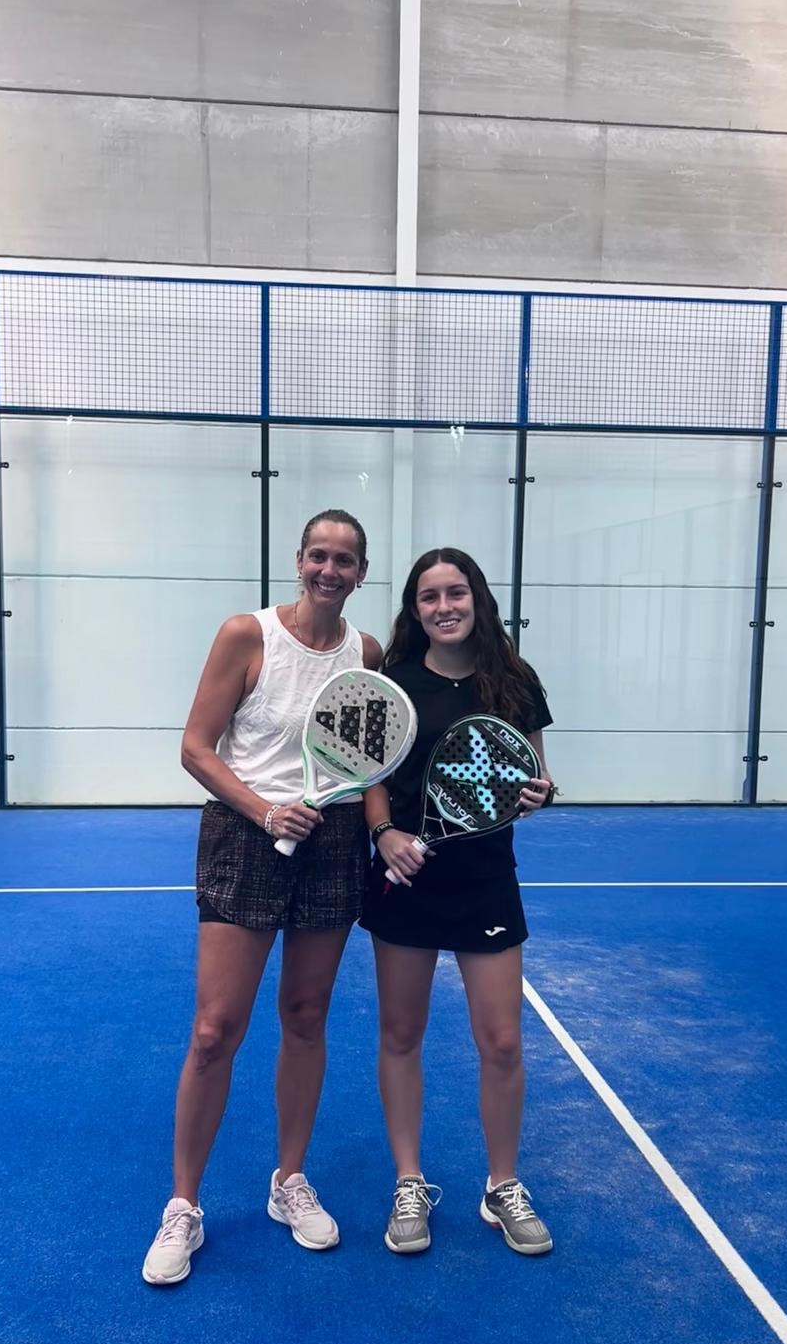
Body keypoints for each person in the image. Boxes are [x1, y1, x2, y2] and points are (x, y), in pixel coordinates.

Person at [142, 509, 382, 1285]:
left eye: (345, 560)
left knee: (306, 1016)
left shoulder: (367, 654)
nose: (329, 570)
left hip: (334, 842)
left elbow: (363, 764)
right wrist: (265, 811)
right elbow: (195, 748)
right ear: (299, 560)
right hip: (246, 835)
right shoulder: (247, 635)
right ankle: (184, 1205)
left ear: (361, 573)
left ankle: (289, 1181)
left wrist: (374, 828)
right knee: (216, 1029)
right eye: (319, 555)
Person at [358, 547, 555, 1258]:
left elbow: (534, 772)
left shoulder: (515, 679)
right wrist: (384, 834)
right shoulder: (393, 683)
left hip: (485, 881)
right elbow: (370, 776)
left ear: (478, 599)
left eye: (456, 593)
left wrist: (541, 794)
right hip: (405, 878)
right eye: (429, 596)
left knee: (501, 1041)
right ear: (415, 610)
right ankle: (409, 1181)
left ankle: (502, 1185)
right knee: (400, 1034)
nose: (444, 607)